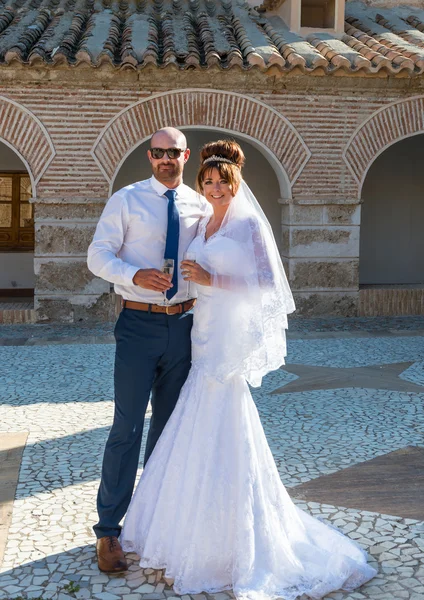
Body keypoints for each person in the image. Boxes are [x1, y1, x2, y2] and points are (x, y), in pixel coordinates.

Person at [120, 140, 377, 600]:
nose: (215, 188)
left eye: (223, 182)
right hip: (201, 329)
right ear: (202, 185)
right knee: (192, 415)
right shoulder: (203, 220)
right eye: (209, 182)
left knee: (224, 416)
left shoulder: (248, 225)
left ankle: (230, 537)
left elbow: (265, 284)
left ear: (236, 185)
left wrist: (212, 279)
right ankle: (183, 523)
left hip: (225, 340)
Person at [87, 127, 208, 574]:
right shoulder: (127, 199)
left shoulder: (200, 203)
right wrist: (135, 275)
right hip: (137, 324)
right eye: (158, 153)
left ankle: (155, 517)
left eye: (173, 153)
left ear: (185, 155)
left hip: (186, 326)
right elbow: (97, 256)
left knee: (170, 426)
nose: (166, 159)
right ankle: (109, 531)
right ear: (149, 156)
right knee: (126, 426)